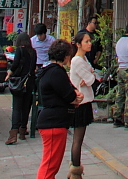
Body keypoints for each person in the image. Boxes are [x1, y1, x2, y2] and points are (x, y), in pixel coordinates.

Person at [36, 39, 83, 179]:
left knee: (51, 164)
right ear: (66, 56)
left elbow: (70, 91)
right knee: (50, 166)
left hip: (53, 122)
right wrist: (75, 97)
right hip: (53, 124)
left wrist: (75, 94)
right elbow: (69, 95)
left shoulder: (49, 70)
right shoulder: (56, 72)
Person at [69, 31, 96, 178]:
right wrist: (90, 76)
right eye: (86, 41)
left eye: (89, 41)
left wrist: (90, 75)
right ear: (78, 44)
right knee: (78, 139)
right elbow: (91, 78)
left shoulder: (83, 58)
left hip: (85, 101)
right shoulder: (77, 61)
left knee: (79, 138)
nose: (89, 43)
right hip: (80, 102)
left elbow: (92, 74)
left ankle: (74, 168)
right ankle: (75, 171)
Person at [4, 32, 37, 144]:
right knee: (26, 107)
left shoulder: (19, 50)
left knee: (17, 108)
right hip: (29, 83)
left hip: (19, 83)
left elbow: (15, 64)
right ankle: (23, 131)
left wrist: (9, 73)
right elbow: (32, 68)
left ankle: (13, 134)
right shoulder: (33, 52)